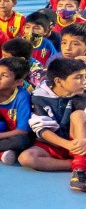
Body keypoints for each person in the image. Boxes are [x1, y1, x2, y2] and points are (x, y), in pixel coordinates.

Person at [19, 58, 86, 192]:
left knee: (78, 115)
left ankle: (80, 171)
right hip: (55, 144)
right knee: (26, 158)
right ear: (59, 81)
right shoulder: (40, 96)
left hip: (81, 142)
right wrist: (66, 145)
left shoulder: (82, 94)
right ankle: (75, 164)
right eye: (78, 78)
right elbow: (42, 129)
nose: (84, 81)